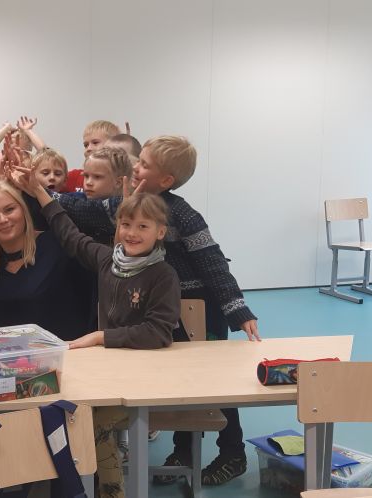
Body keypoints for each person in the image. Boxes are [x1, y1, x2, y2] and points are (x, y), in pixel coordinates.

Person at [53, 135, 260, 486]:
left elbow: (212, 262)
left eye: (144, 164)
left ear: (165, 180)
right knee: (178, 379)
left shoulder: (183, 213)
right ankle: (183, 452)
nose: (136, 166)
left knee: (213, 383)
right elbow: (83, 209)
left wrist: (237, 309)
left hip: (200, 306)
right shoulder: (130, 203)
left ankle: (232, 453)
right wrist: (46, 195)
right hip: (165, 304)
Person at [15, 163, 179, 498]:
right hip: (109, 372)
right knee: (66, 408)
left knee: (91, 420)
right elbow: (70, 235)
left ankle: (111, 491)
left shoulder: (163, 275)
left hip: (147, 379)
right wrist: (39, 192)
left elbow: (158, 332)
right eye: (126, 224)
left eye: (143, 226)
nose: (132, 233)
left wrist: (101, 337)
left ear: (160, 232)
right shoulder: (108, 261)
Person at [0, 180, 95, 341]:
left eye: (9, 209)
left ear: (23, 210)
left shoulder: (60, 247)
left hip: (69, 352)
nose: (3, 219)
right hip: (9, 355)